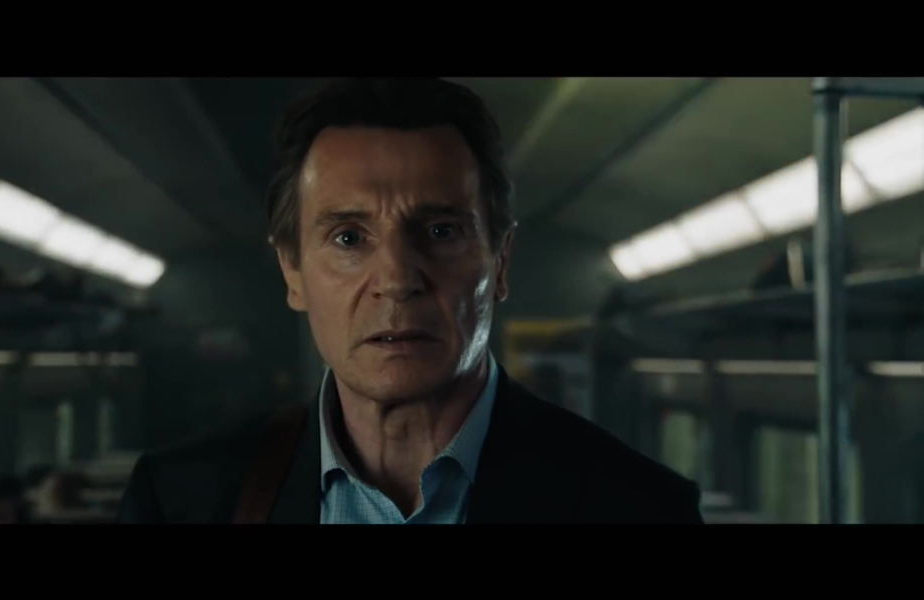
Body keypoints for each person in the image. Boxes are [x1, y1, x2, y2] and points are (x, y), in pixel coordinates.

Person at [119, 78, 704, 524]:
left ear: (500, 263)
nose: (398, 279)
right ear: (292, 272)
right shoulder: (181, 502)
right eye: (349, 239)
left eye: (442, 231)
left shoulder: (640, 510)